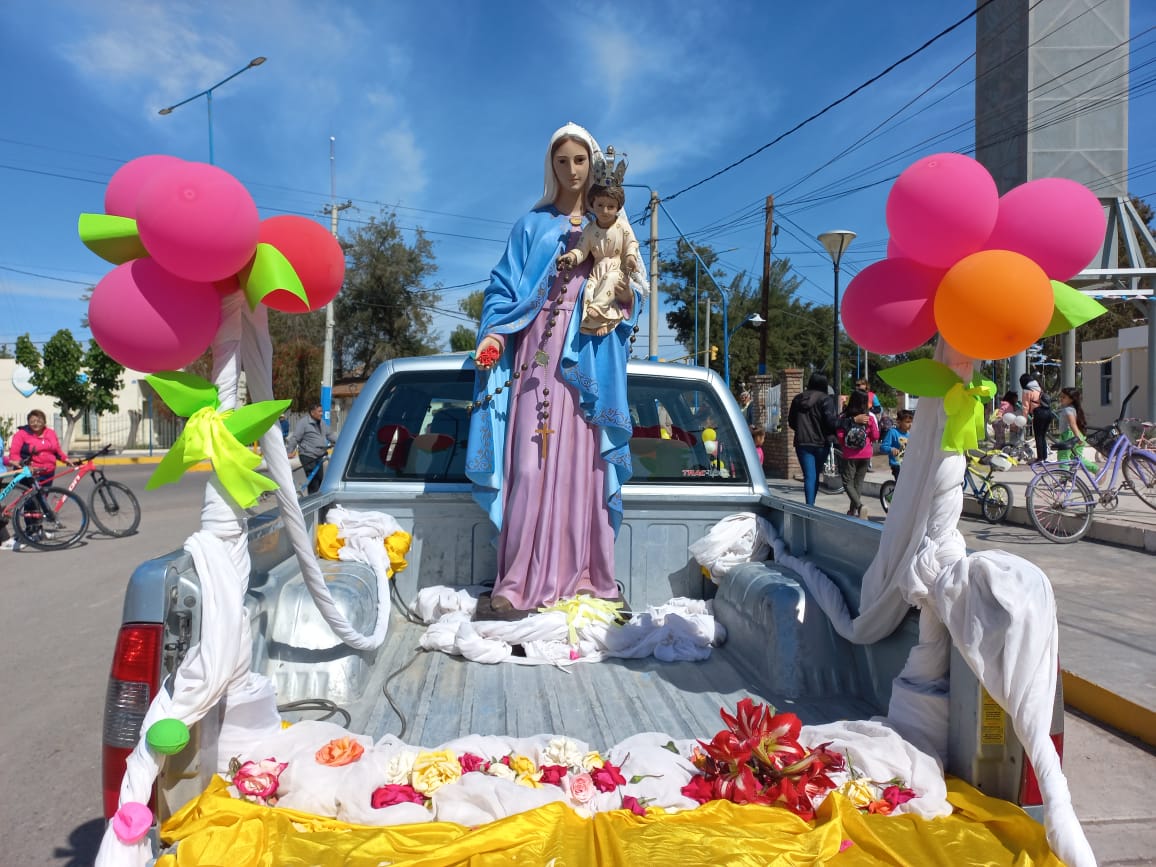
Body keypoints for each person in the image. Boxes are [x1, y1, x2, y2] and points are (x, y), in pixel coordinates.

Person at [466, 123, 641, 617]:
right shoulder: (531, 226)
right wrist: (496, 334)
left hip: (590, 353)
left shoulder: (613, 224)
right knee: (528, 464)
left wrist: (626, 298)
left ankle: (590, 578)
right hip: (537, 353)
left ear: (592, 164)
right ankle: (515, 582)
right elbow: (502, 289)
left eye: (579, 161)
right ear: (551, 166)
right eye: (561, 161)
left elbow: (634, 287)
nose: (571, 171)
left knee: (587, 470)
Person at [556, 153, 641, 336]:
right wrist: (570, 257)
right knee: (589, 288)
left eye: (610, 206)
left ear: (618, 208)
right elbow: (582, 249)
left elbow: (631, 243)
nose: (604, 210)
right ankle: (596, 324)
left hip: (615, 268)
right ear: (592, 205)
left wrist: (631, 257)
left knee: (610, 282)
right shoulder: (588, 230)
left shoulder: (622, 227)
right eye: (600, 205)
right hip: (597, 270)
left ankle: (602, 313)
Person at [787, 372, 839, 506]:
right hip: (822, 442)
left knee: (809, 475)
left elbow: (791, 422)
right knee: (815, 474)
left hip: (802, 442)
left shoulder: (797, 399)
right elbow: (830, 422)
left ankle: (810, 505)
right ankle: (811, 504)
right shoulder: (826, 399)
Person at [836, 390, 879, 519]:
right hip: (866, 454)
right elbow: (876, 435)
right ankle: (852, 511)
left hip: (850, 455)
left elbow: (840, 435)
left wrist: (846, 445)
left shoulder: (844, 418)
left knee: (847, 482)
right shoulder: (869, 417)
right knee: (858, 483)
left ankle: (860, 507)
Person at [8, 409, 72, 482]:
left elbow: (57, 450)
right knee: (30, 493)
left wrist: (66, 459)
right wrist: (24, 466)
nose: (35, 424)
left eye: (39, 421)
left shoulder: (51, 433)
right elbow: (14, 454)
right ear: (28, 423)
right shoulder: (21, 434)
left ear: (44, 422)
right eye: (32, 422)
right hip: (29, 473)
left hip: (48, 472)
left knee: (44, 493)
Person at [288, 403, 336, 495]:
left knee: (319, 480)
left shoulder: (322, 423)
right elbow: (295, 438)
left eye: (322, 411)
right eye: (319, 411)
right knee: (314, 481)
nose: (321, 413)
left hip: (319, 456)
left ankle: (316, 502)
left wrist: (341, 442)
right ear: (312, 412)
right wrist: (289, 452)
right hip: (307, 455)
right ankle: (313, 503)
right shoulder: (304, 423)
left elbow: (330, 435)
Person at [1055, 387, 1097, 472]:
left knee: (1063, 456)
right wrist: (1079, 437)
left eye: (1064, 397)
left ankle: (1065, 478)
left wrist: (1077, 437)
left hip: (1069, 436)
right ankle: (1096, 469)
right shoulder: (1072, 409)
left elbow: (1072, 424)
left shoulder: (1067, 410)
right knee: (1076, 459)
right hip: (1076, 435)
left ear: (1071, 399)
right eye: (1061, 396)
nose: (1061, 399)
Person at [1019, 374, 1049, 463]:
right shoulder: (1039, 387)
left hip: (1039, 414)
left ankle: (1040, 458)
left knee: (1038, 437)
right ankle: (1044, 457)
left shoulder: (1027, 390)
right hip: (1048, 413)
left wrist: (1023, 419)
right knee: (1043, 436)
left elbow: (1025, 407)